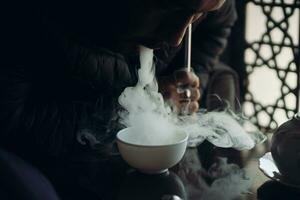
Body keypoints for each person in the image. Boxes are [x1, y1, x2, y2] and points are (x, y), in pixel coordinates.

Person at [1, 0, 237, 199]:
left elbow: (219, 23)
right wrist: (136, 107)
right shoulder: (26, 15)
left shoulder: (195, 7)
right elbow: (11, 124)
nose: (177, 38)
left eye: (198, 15)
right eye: (169, 8)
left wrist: (188, 77)